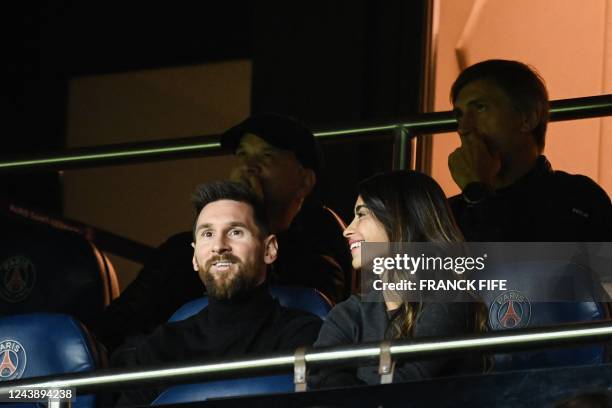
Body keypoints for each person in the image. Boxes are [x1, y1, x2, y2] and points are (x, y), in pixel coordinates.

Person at [91, 114, 352, 352]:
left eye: (266, 157)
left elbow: (311, 307)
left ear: (305, 181)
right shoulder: (181, 251)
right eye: (242, 155)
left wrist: (256, 218)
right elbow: (116, 328)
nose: (248, 167)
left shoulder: (321, 242)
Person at [110, 181, 322, 406]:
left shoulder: (303, 337)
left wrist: (369, 264)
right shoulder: (161, 348)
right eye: (208, 233)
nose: (219, 246)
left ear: (269, 249)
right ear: (194, 257)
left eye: (235, 232)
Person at [310, 171, 484, 388]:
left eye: (361, 215)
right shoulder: (349, 313)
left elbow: (407, 387)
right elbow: (319, 379)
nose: (348, 230)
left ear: (399, 218)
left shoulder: (450, 300)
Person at [447, 59, 612, 242]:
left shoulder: (577, 200)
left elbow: (513, 264)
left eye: (480, 108)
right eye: (459, 115)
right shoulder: (447, 215)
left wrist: (479, 197)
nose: (463, 127)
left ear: (528, 119)